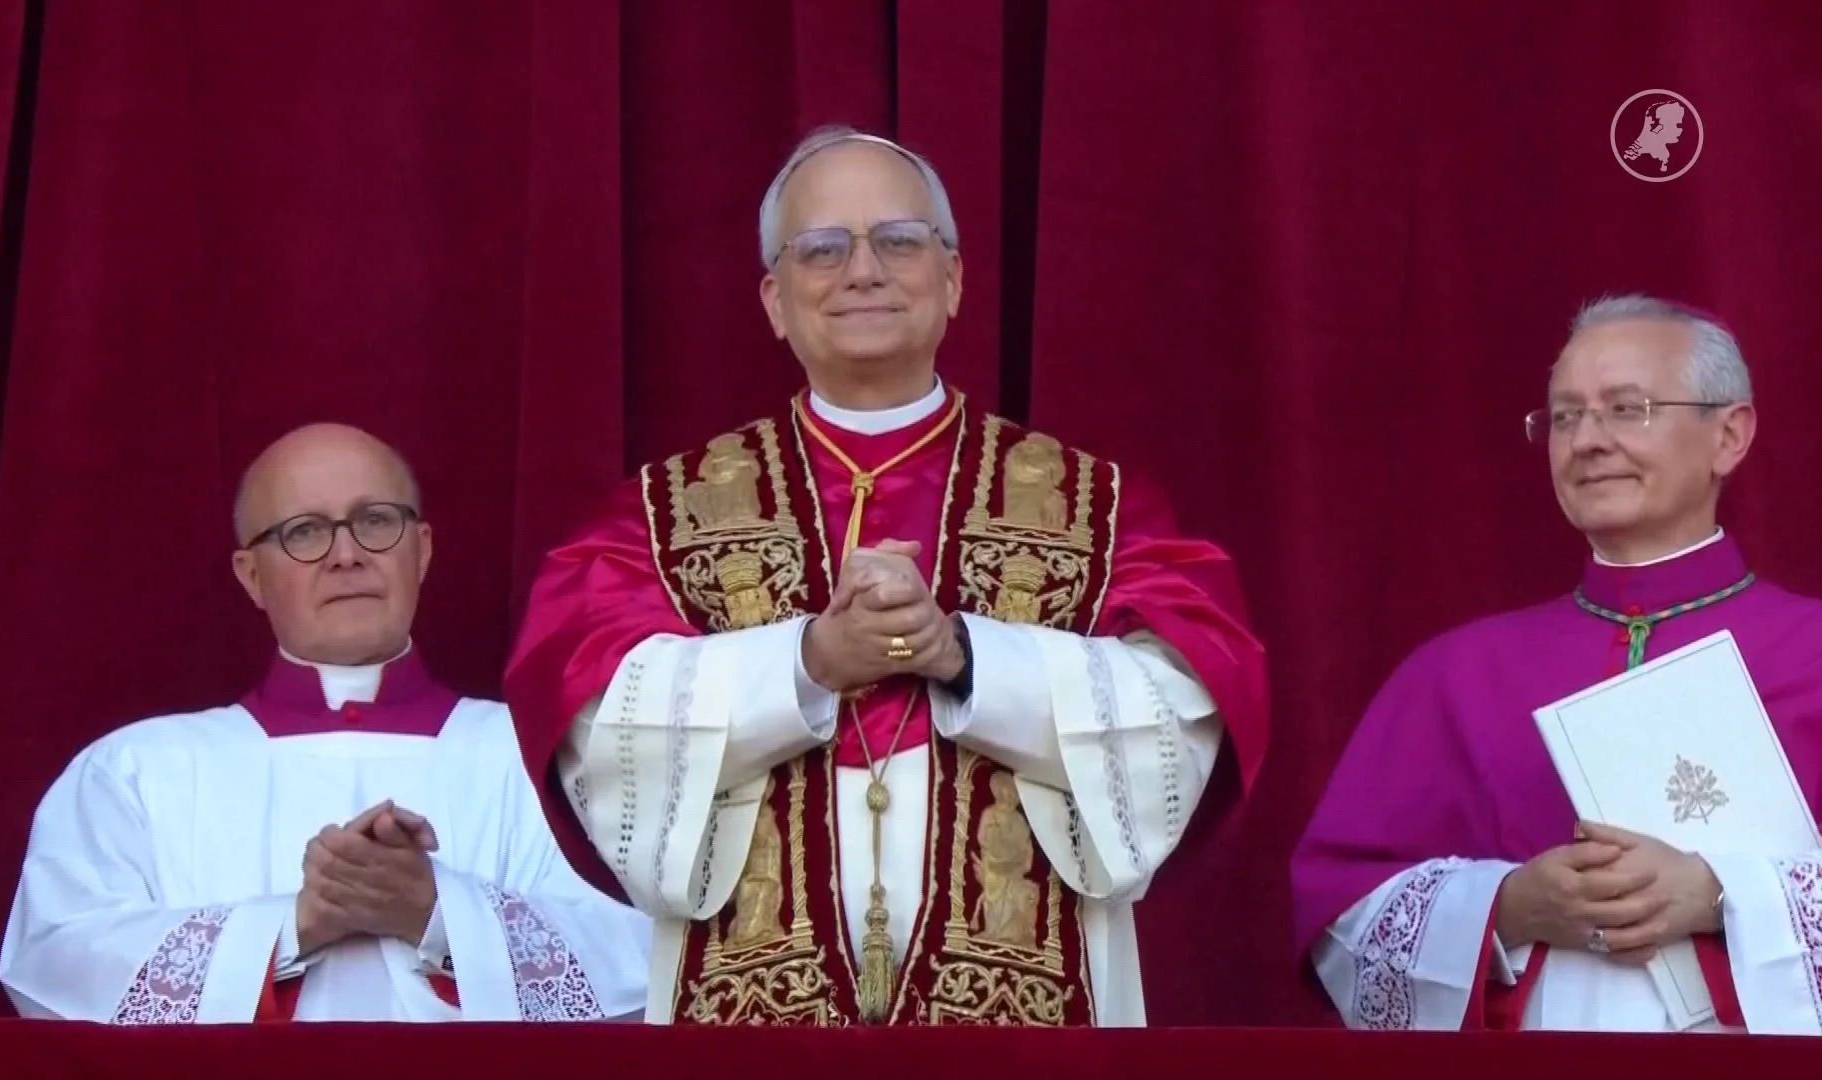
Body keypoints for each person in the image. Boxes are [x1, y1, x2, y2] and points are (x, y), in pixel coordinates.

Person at [504, 126, 1269, 1027]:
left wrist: (966, 656)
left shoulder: (1092, 506)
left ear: (953, 281)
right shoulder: (663, 516)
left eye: (899, 241)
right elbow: (593, 720)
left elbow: (1183, 706)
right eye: (823, 249)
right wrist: (806, 664)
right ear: (774, 300)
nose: (863, 270)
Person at [1291, 294, 1822, 1034]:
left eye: (1626, 408)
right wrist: (1506, 907)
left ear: (1728, 435)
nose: (1588, 440)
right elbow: (1340, 911)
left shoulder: (1811, 650)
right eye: (1565, 417)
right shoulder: (1456, 674)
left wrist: (1718, 893)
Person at [0, 423, 651, 1024]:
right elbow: (55, 957)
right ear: (251, 576)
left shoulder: (544, 755)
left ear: (420, 551)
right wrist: (294, 925)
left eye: (375, 520)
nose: (346, 554)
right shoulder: (135, 772)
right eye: (304, 531)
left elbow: (649, 957)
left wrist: (438, 914)